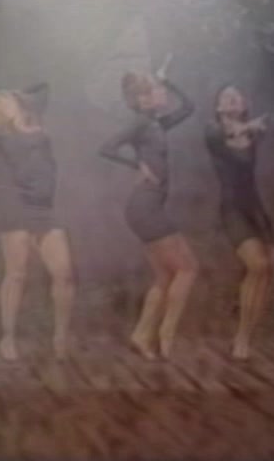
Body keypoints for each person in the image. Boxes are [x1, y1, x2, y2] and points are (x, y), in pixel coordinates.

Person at [0, 83, 75, 361]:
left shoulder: (38, 128)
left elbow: (43, 88)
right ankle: (8, 337)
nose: (9, 105)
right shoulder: (1, 135)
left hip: (44, 209)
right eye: (4, 104)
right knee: (16, 274)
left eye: (11, 102)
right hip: (16, 209)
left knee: (64, 273)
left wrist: (17, 94)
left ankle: (60, 336)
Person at [97, 55, 198, 360]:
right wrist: (137, 164)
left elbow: (189, 107)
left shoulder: (157, 123)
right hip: (145, 207)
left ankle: (141, 335)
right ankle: (165, 336)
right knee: (188, 269)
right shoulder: (141, 122)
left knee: (166, 277)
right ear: (143, 99)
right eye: (157, 89)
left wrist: (166, 79)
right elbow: (106, 148)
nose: (163, 92)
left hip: (147, 207)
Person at [205, 84, 274, 360]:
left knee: (270, 270)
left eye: (237, 96)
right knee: (258, 265)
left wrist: (266, 122)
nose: (233, 99)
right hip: (233, 209)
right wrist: (251, 125)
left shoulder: (253, 133)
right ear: (218, 107)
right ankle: (242, 339)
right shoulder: (212, 130)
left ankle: (246, 333)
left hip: (256, 209)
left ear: (244, 104)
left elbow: (273, 122)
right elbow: (226, 134)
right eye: (226, 97)